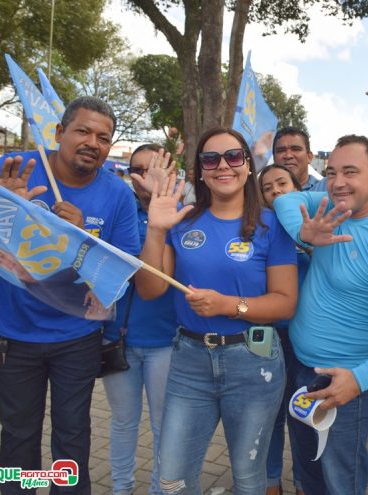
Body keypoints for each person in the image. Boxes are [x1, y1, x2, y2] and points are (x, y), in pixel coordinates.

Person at [0, 96, 140, 494]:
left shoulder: (117, 195)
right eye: (83, 131)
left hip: (77, 339)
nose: (93, 142)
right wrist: (2, 212)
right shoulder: (14, 170)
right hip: (15, 336)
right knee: (18, 435)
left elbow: (119, 278)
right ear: (59, 133)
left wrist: (85, 236)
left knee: (72, 437)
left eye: (103, 137)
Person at [134, 128, 298, 494]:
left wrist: (227, 305)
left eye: (233, 156)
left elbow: (285, 302)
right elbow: (150, 289)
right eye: (211, 159)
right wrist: (156, 230)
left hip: (253, 362)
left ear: (248, 165)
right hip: (189, 363)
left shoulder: (272, 226)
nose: (223, 165)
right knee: (172, 477)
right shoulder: (183, 221)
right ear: (201, 171)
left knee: (247, 475)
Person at [273, 135, 368, 495]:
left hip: (344, 381)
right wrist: (304, 231)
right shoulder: (333, 208)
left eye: (350, 172)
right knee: (308, 474)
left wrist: (359, 381)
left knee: (342, 479)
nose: (338, 182)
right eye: (331, 172)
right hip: (303, 367)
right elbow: (286, 199)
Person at [102, 144, 179, 495]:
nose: (146, 176)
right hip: (117, 339)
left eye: (154, 168)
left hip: (166, 342)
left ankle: (159, 490)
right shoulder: (118, 210)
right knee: (123, 422)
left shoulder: (184, 217)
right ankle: (121, 488)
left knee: (166, 426)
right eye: (138, 169)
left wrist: (158, 212)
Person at [258, 164, 309, 495]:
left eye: (282, 184)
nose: (276, 191)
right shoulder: (257, 230)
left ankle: (305, 482)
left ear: (297, 188)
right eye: (267, 188)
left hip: (307, 340)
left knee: (303, 417)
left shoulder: (314, 227)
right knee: (271, 417)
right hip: (267, 338)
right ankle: (270, 482)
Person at [272, 67, 368, 192]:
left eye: (296, 149)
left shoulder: (328, 188)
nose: (288, 155)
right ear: (274, 157)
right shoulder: (258, 194)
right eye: (281, 150)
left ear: (310, 156)